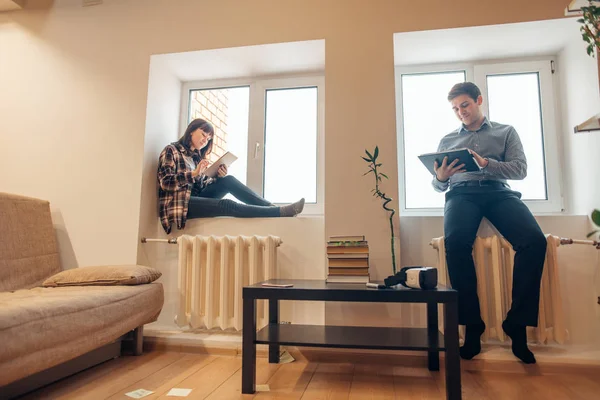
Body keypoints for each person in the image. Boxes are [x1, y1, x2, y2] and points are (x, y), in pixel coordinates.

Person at [432, 82, 546, 364]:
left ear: (479, 100)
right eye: (455, 109)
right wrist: (442, 178)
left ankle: (516, 325)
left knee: (534, 242)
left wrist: (486, 164)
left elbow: (520, 169)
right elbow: (437, 185)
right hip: (461, 194)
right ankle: (472, 326)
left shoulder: (505, 131)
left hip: (498, 191)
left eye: (465, 105)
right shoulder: (447, 140)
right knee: (456, 245)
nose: (460, 112)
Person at [158, 118, 305, 234]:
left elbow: (201, 185)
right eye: (203, 134)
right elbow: (165, 182)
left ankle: (270, 207)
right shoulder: (171, 150)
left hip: (195, 197)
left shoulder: (196, 158)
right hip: (180, 203)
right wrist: (194, 174)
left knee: (228, 180)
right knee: (227, 205)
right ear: (191, 131)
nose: (205, 140)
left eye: (209, 139)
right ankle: (279, 212)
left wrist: (217, 176)